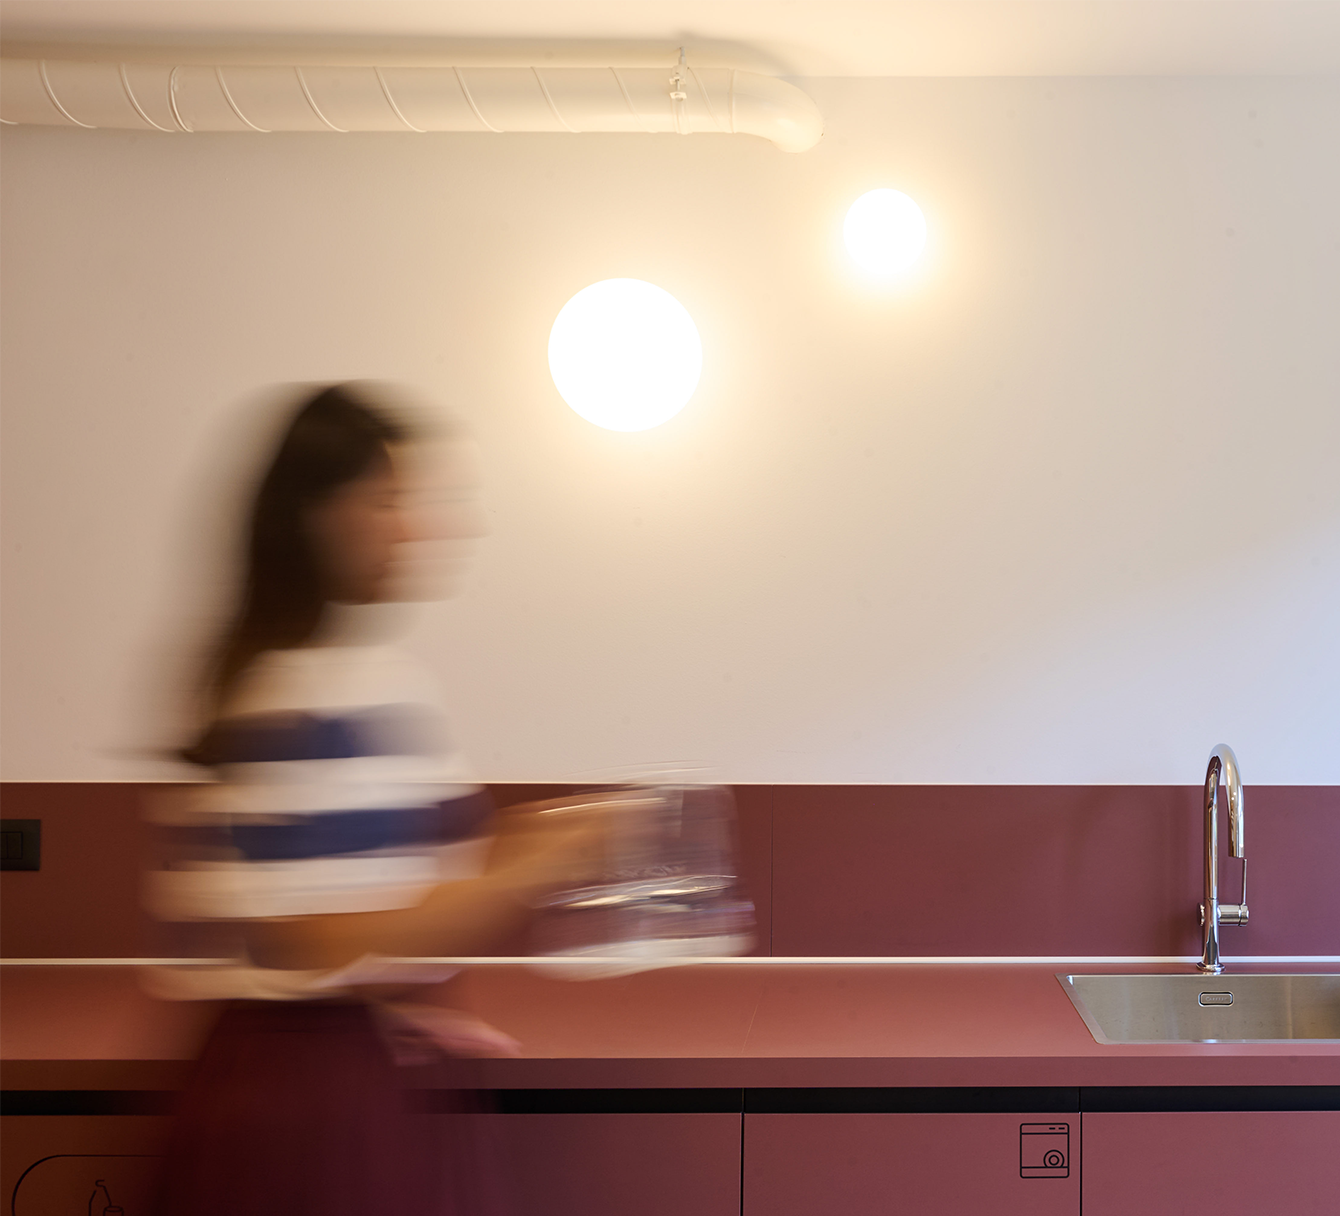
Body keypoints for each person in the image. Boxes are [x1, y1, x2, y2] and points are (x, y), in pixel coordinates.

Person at [145, 383, 596, 1215]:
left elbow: (401, 878)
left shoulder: (344, 683)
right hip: (304, 1109)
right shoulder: (291, 696)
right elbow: (314, 939)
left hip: (340, 1082)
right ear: (318, 514)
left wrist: (558, 842)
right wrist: (539, 865)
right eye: (388, 498)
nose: (415, 526)